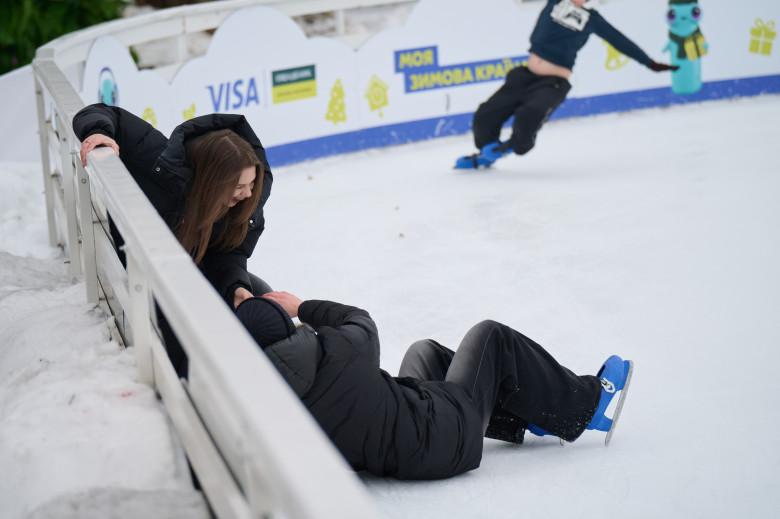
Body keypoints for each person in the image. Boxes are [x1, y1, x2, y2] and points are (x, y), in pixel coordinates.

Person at [235, 291, 633, 480]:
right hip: (447, 435)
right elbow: (359, 319)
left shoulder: (273, 406)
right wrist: (300, 306)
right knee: (491, 336)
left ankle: (533, 416)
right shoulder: (339, 354)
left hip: (410, 436)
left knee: (423, 351)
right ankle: (590, 406)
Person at [73, 103, 274, 308]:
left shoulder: (247, 206)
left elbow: (226, 255)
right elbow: (102, 113)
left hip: (192, 282)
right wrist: (99, 132)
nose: (248, 193)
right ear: (212, 181)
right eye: (239, 186)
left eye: (252, 183)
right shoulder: (159, 161)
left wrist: (235, 285)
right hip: (148, 286)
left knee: (265, 299)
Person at [456, 0, 678, 169]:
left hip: (552, 83)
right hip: (524, 76)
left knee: (530, 112)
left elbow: (621, 42)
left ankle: (511, 147)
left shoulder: (592, 20)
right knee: (485, 115)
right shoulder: (554, 1)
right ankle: (486, 154)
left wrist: (650, 63)